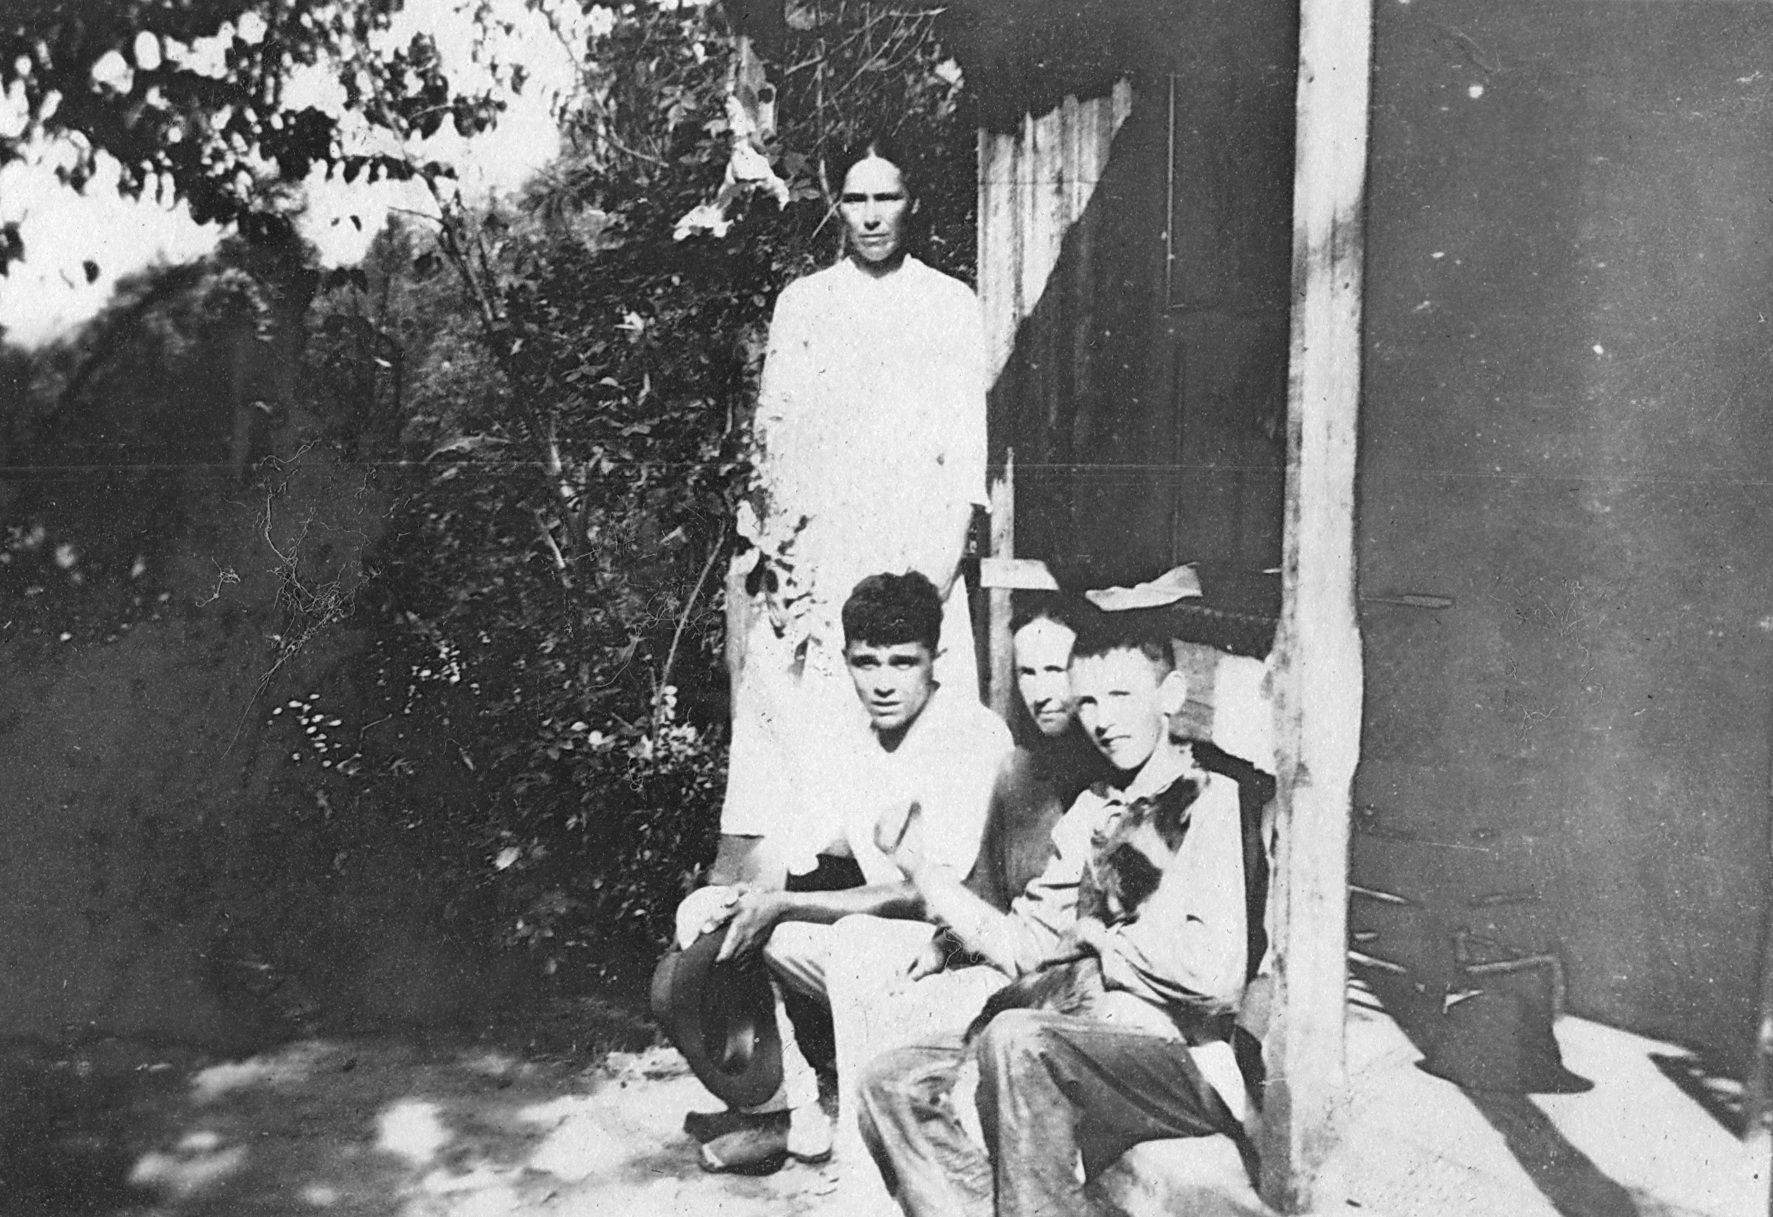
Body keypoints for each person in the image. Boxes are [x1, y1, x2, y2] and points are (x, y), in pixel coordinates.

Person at [857, 615, 1255, 1217]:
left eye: (1121, 695)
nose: (1103, 719)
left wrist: (1100, 942)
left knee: (1018, 1039)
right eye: (1087, 701)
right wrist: (918, 869)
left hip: (1179, 1055)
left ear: (1169, 695)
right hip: (1080, 1029)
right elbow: (1027, 945)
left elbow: (1215, 979)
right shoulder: (1094, 810)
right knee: (890, 1081)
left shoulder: (1209, 798)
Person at [719, 132, 988, 892]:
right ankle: (799, 923)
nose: (871, 216)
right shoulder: (804, 304)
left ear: (911, 202)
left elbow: (964, 463)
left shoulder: (949, 304)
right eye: (855, 199)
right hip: (823, 560)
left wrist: (929, 587)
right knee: (810, 750)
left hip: (913, 558)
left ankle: (920, 917)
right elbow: (772, 446)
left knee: (918, 746)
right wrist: (782, 570)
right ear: (835, 205)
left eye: (886, 197)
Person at [673, 572, 1010, 1173]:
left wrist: (786, 906)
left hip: (962, 952)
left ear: (937, 657)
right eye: (866, 662)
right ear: (846, 659)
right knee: (714, 928)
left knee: (851, 942)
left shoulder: (972, 735)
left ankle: (868, 1166)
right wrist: (741, 897)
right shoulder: (850, 734)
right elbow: (793, 848)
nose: (883, 683)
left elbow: (935, 898)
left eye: (903, 662)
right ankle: (791, 1115)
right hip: (884, 937)